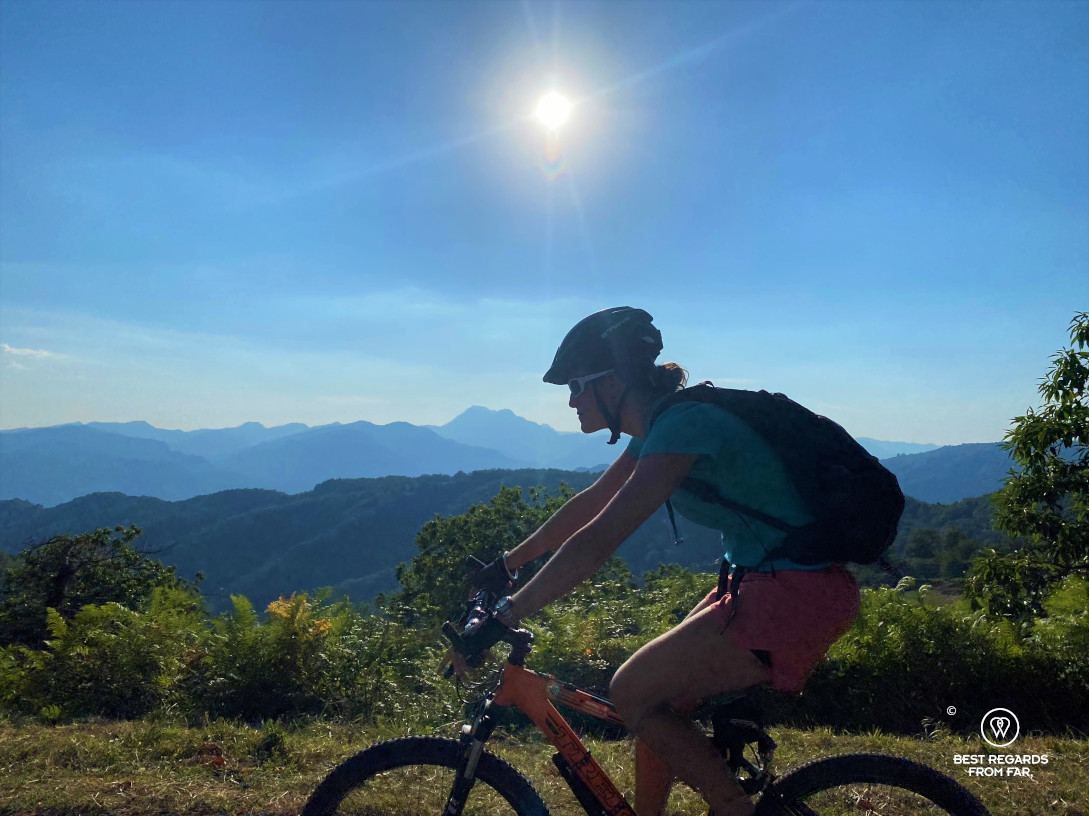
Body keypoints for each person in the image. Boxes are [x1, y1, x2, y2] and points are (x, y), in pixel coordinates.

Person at [481, 307, 861, 816]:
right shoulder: (660, 426)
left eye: (575, 386)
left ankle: (733, 808)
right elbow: (591, 503)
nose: (570, 401)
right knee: (656, 710)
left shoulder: (684, 425)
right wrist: (506, 564)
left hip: (793, 594)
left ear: (611, 383)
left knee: (631, 691)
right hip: (761, 584)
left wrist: (508, 614)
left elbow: (600, 539)